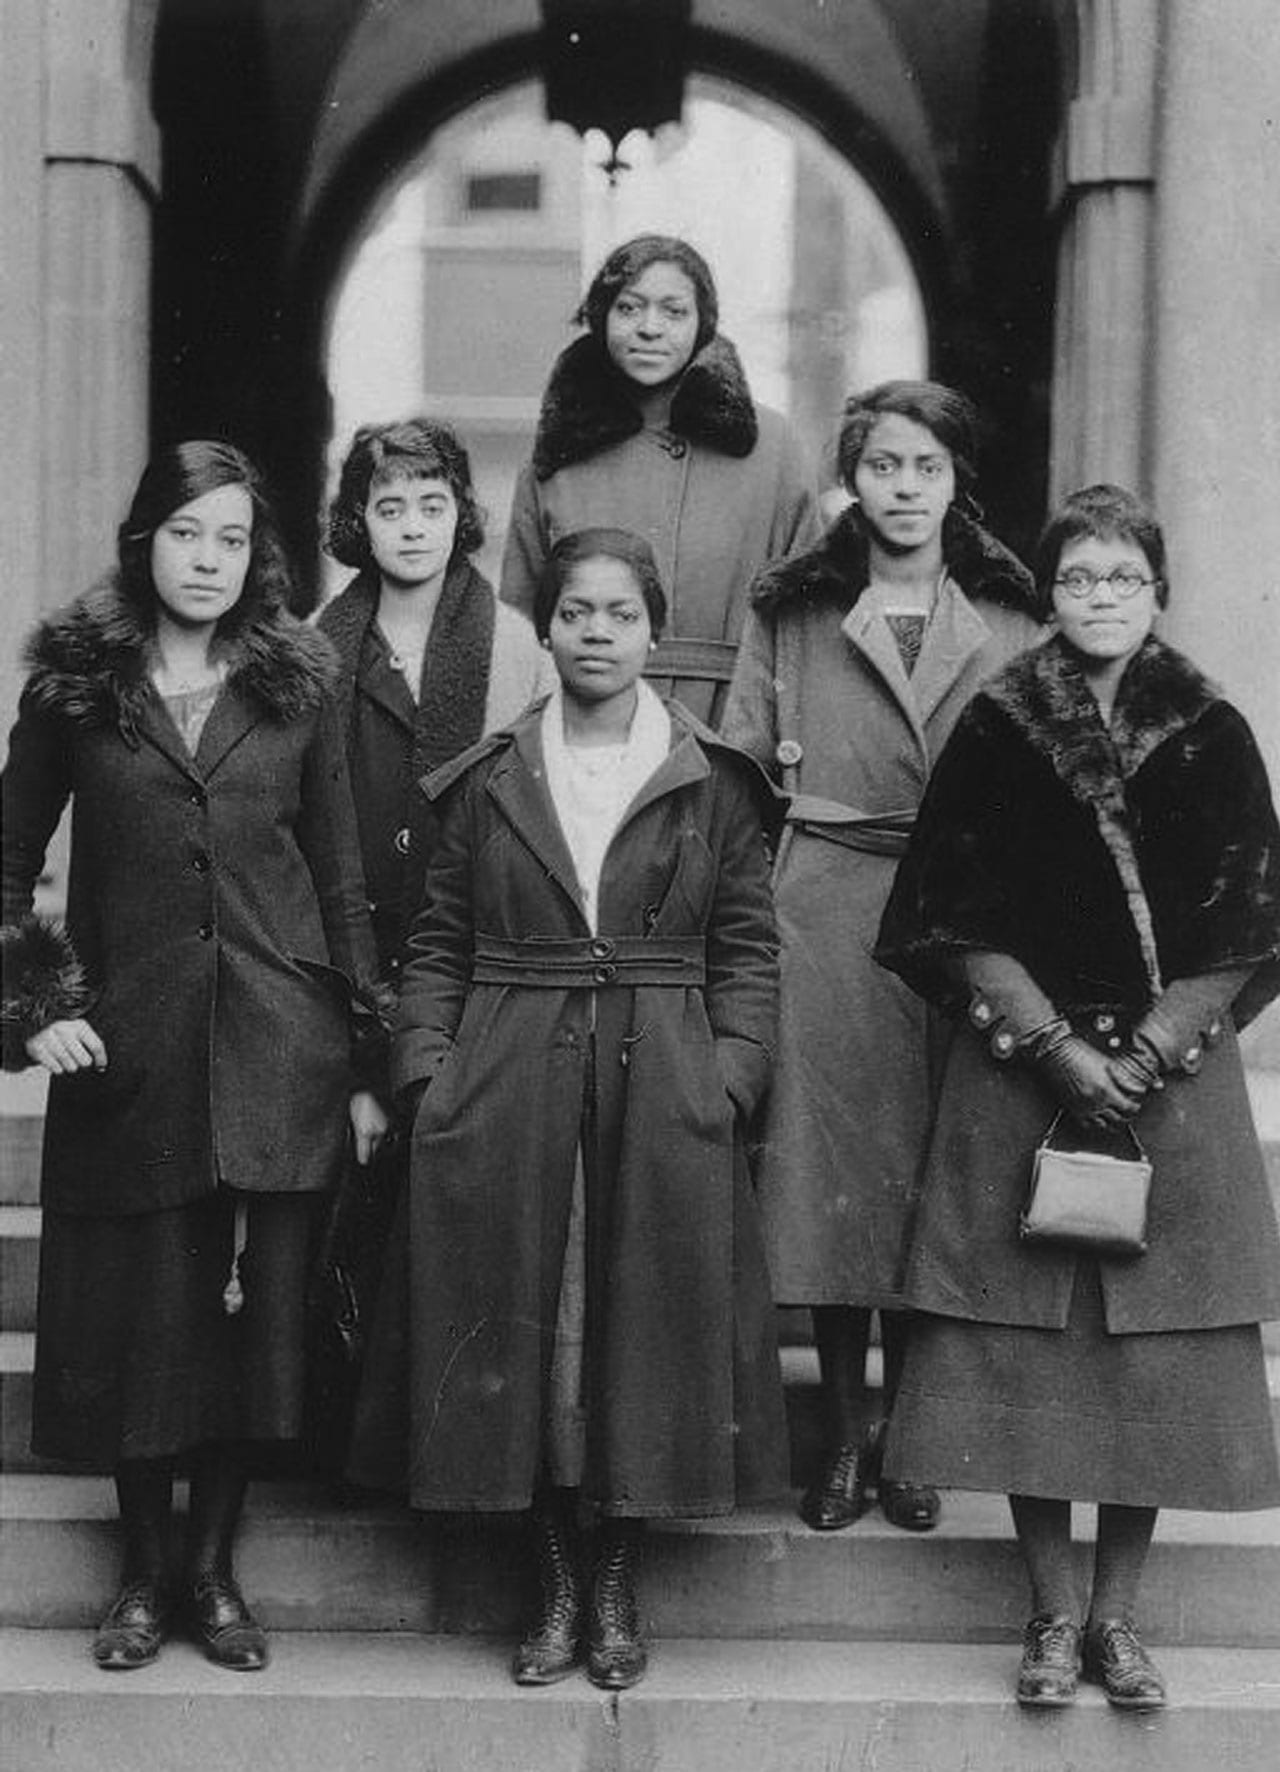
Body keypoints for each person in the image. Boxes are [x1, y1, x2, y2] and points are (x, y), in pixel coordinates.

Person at [348, 527, 786, 1689]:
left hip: (662, 1082)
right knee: (535, 1334)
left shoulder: (714, 778)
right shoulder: (488, 776)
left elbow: (745, 948)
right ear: (543, 629)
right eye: (576, 612)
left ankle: (615, 1584)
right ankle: (548, 1579)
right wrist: (427, 1075)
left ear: (652, 629)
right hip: (506, 1073)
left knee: (637, 1329)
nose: (596, 633)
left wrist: (728, 1076)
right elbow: (436, 942)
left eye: (619, 613)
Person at [874, 484, 1280, 1709]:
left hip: (1172, 1082)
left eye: (1123, 578)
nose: (1100, 598)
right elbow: (945, 913)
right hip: (1021, 1081)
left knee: (1147, 1365)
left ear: (1155, 591)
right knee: (1020, 1355)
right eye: (1078, 577)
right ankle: (1048, 1616)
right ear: (1045, 592)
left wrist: (1152, 1046)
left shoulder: (1207, 725)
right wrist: (1053, 1047)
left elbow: (1249, 914)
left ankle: (1117, 1621)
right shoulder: (999, 723)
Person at [0, 441, 387, 1673]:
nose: (207, 560)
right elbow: (6, 867)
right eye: (184, 534)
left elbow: (339, 874)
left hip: (280, 1044)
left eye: (229, 538)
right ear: (143, 540)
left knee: (243, 1327)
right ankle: (139, 1575)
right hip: (130, 1054)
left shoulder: (299, 684)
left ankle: (213, 1573)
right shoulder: (74, 685)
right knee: (137, 1320)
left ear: (256, 553)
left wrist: (366, 1055)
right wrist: (31, 1003)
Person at [721, 380, 1042, 1535]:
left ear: (956, 486)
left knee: (936, 1174)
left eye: (926, 469)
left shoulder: (1010, 617)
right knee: (830, 1179)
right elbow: (741, 770)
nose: (903, 490)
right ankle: (846, 1438)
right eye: (883, 466)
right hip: (827, 910)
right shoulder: (795, 609)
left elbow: (1045, 789)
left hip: (963, 925)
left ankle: (912, 1429)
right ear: (849, 478)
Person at [312, 421, 554, 1462]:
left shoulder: (507, 641)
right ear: (356, 521)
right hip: (353, 953)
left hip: (477, 951)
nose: (410, 526)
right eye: (387, 505)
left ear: (461, 512)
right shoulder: (317, 649)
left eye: (430, 503)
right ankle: (358, 1438)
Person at [499, 234, 820, 724]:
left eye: (674, 312)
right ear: (601, 317)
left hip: (734, 727)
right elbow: (521, 625)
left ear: (703, 324)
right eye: (629, 308)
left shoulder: (772, 448)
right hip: (584, 724)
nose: (650, 328)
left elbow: (809, 618)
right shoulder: (556, 455)